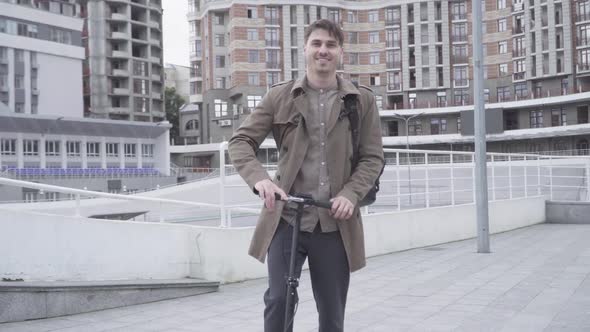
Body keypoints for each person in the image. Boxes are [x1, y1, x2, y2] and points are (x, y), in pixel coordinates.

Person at [228, 19, 384, 332]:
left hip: (334, 224)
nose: (323, 50)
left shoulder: (361, 100)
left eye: (330, 44)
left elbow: (372, 157)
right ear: (305, 49)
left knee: (331, 310)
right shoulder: (279, 97)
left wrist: (351, 194)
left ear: (340, 52)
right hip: (287, 218)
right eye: (317, 44)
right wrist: (260, 179)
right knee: (278, 300)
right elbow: (240, 142)